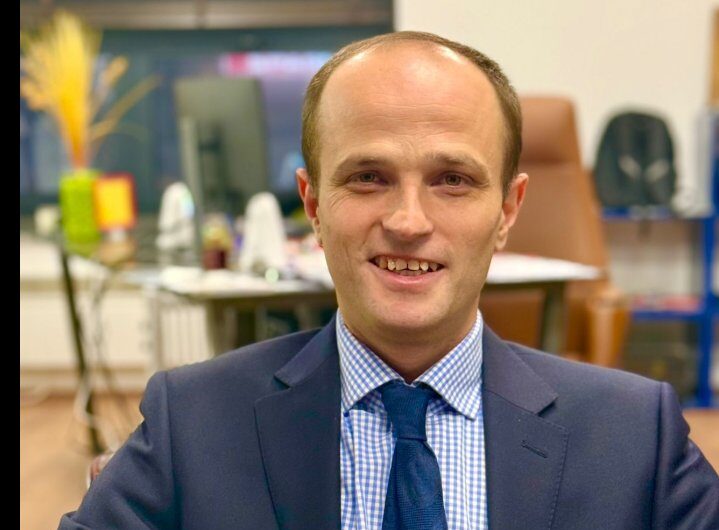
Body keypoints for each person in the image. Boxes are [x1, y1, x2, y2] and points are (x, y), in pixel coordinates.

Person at [59, 31, 718, 530]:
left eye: (452, 180)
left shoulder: (636, 436)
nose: (407, 221)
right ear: (313, 205)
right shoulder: (192, 422)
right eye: (367, 177)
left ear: (506, 210)